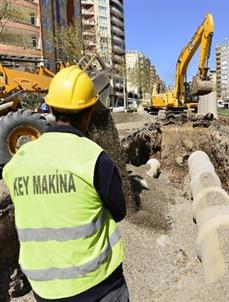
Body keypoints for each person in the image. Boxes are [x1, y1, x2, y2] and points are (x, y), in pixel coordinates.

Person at [2, 66, 129, 301]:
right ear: (90, 112)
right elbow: (119, 211)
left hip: (44, 290)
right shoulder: (95, 158)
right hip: (99, 285)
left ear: (49, 108)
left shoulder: (18, 161)